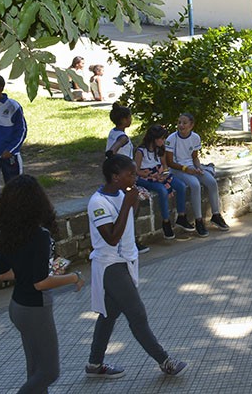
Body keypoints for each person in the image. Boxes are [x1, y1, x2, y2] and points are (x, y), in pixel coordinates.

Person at [86, 155, 187, 379]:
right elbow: (112, 237)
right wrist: (127, 203)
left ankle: (94, 364)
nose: (134, 177)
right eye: (130, 174)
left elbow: (129, 221)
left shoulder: (122, 193)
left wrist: (135, 203)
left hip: (126, 261)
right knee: (137, 314)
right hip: (110, 265)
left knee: (109, 314)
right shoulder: (97, 203)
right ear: (115, 177)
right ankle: (165, 361)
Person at [0, 175, 84, 393]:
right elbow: (41, 283)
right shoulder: (40, 235)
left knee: (35, 370)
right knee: (49, 372)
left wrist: (32, 272)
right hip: (36, 309)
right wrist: (74, 277)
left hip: (17, 308)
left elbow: (2, 274)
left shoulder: (8, 232)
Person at [165, 113, 230, 237]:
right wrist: (185, 169)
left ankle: (216, 215)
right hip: (178, 169)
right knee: (195, 184)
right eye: (179, 122)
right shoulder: (171, 139)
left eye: (184, 123)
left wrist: (199, 168)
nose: (181, 125)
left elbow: (194, 157)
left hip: (191, 167)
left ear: (191, 125)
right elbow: (170, 163)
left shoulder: (195, 137)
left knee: (211, 182)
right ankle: (198, 220)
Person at [0, 73, 26, 229]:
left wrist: (12, 149)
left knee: (14, 185)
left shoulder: (12, 106)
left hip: (8, 155)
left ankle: (17, 216)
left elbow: (21, 130)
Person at [135, 124, 189, 240]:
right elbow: (136, 170)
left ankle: (181, 216)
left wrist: (162, 173)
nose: (163, 141)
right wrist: (149, 174)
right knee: (162, 190)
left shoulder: (160, 149)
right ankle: (166, 222)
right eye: (161, 138)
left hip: (158, 173)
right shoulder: (141, 151)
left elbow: (164, 165)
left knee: (181, 186)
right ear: (153, 139)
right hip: (145, 177)